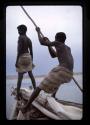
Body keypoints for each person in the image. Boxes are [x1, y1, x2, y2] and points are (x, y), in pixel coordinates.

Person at [18, 27, 74, 111]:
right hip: (69, 74)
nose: (55, 39)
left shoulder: (57, 43)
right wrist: (49, 45)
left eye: (55, 38)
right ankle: (53, 96)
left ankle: (26, 107)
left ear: (57, 39)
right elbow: (54, 55)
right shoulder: (67, 48)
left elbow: (41, 42)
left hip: (62, 70)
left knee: (39, 88)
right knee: (58, 81)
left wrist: (38, 32)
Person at [15, 24, 36, 100]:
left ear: (23, 30)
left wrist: (17, 61)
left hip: (22, 56)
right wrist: (31, 61)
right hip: (28, 56)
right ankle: (35, 89)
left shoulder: (20, 37)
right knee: (31, 75)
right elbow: (31, 52)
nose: (18, 32)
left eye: (19, 30)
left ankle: (17, 94)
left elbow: (19, 50)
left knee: (20, 77)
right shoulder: (29, 39)